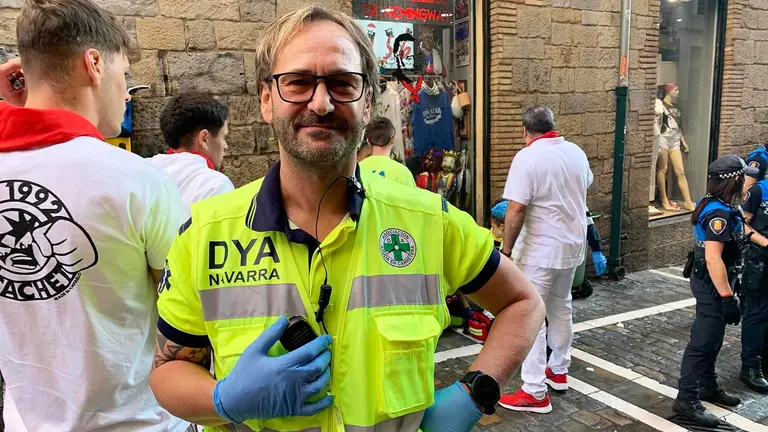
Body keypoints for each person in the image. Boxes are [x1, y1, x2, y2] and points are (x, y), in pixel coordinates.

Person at [148, 5, 546, 431]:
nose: (321, 103)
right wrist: (222, 399)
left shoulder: (429, 220)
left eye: (343, 83)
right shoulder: (205, 234)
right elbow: (167, 372)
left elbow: (523, 303)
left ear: (368, 99)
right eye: (298, 82)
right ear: (267, 99)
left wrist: (475, 392)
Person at [0, 0, 188, 431]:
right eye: (125, 76)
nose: (125, 93)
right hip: (138, 422)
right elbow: (182, 316)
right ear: (94, 63)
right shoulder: (137, 180)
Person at [498, 105, 593, 413]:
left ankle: (535, 390)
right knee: (561, 307)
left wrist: (507, 249)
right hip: (572, 248)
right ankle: (558, 370)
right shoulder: (576, 152)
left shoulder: (527, 157)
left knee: (532, 316)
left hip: (540, 251)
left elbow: (516, 210)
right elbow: (584, 185)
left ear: (526, 132)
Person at [673, 155, 756, 427]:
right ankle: (687, 400)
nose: (747, 184)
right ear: (734, 180)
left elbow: (741, 226)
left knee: (715, 336)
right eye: (743, 178)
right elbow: (712, 258)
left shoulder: (719, 204)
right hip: (712, 283)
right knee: (703, 340)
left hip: (716, 280)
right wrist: (726, 297)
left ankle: (708, 385)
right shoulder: (717, 213)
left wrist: (762, 240)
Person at [149, 92, 235, 215]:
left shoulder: (145, 173)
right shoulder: (216, 186)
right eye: (223, 137)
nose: (225, 146)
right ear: (204, 138)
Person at [735, 171, 768, 394]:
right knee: (757, 313)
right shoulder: (759, 190)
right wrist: (764, 241)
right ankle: (750, 367)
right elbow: (742, 224)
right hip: (761, 261)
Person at [358, 116, 417, 187]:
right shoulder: (403, 173)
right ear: (393, 139)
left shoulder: (357, 170)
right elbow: (413, 197)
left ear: (368, 142)